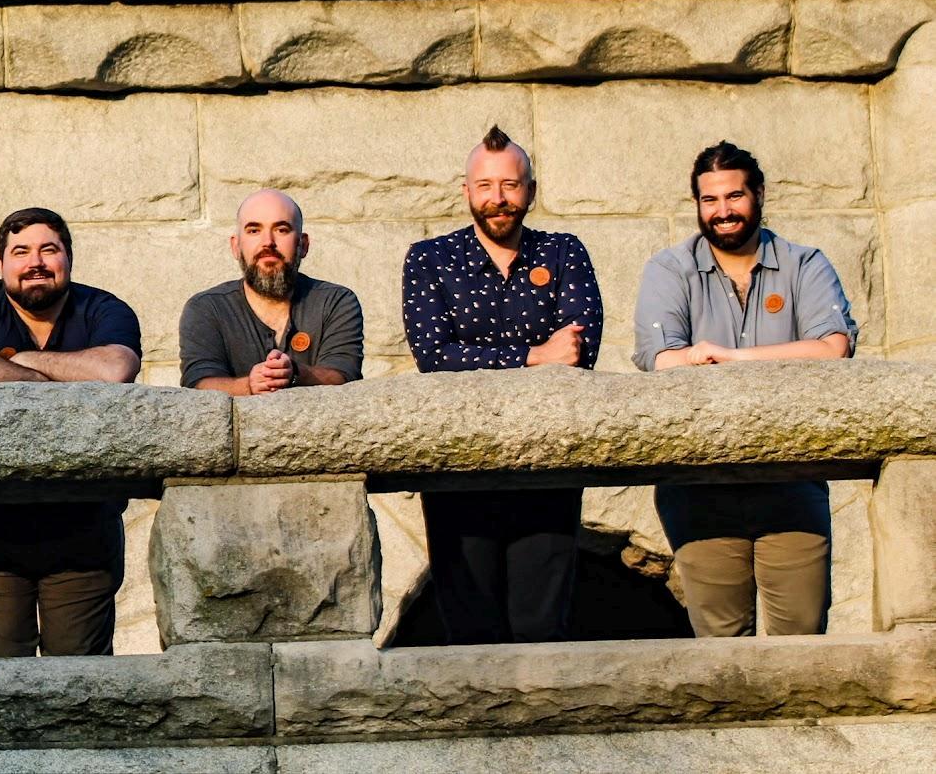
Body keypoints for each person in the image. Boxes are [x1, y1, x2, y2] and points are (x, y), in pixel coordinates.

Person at [634, 141, 856, 637]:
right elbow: (662, 359)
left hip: (793, 479)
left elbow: (832, 348)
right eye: (710, 200)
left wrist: (729, 358)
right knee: (721, 643)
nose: (723, 211)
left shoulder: (805, 263)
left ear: (759, 194)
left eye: (734, 196)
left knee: (801, 638)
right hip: (698, 486)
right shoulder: (669, 269)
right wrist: (778, 357)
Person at [401, 126, 602, 644]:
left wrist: (493, 360)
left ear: (530, 190)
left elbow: (576, 355)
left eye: (510, 185)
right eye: (486, 186)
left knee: (542, 628)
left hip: (548, 466)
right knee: (470, 631)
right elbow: (435, 357)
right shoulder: (429, 259)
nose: (499, 198)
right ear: (466, 191)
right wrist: (534, 355)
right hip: (457, 469)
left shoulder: (564, 253)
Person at [0, 208, 140, 658]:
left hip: (84, 532)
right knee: (0, 678)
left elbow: (115, 370)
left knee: (81, 675)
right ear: (1, 263)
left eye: (49, 250)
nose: (36, 262)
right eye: (21, 252)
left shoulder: (104, 309)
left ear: (69, 257)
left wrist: (22, 362)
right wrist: (60, 379)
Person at [181, 189, 366, 395]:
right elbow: (197, 385)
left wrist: (294, 373)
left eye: (281, 230)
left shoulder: (335, 302)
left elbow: (345, 376)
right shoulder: (207, 308)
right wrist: (249, 386)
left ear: (303, 244)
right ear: (236, 246)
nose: (268, 242)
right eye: (254, 230)